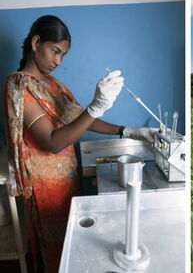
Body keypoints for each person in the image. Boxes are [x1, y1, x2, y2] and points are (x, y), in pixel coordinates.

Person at [3, 15, 158, 272]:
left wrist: (129, 131)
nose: (58, 61)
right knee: (55, 252)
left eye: (63, 55)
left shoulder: (53, 85)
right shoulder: (18, 86)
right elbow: (51, 142)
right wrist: (95, 108)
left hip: (67, 178)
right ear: (35, 42)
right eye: (55, 51)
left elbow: (80, 120)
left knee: (72, 244)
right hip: (44, 186)